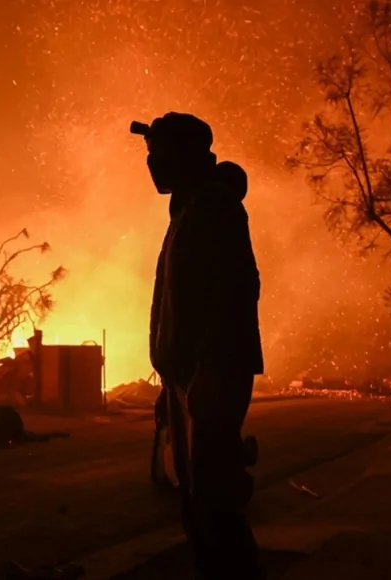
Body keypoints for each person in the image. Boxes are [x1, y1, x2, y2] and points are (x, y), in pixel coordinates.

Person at [131, 113, 265, 580]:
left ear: (185, 155)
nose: (151, 166)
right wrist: (169, 384)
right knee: (198, 506)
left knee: (215, 508)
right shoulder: (188, 208)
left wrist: (209, 368)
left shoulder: (213, 206)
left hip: (212, 377)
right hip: (187, 379)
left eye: (159, 155)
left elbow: (235, 289)